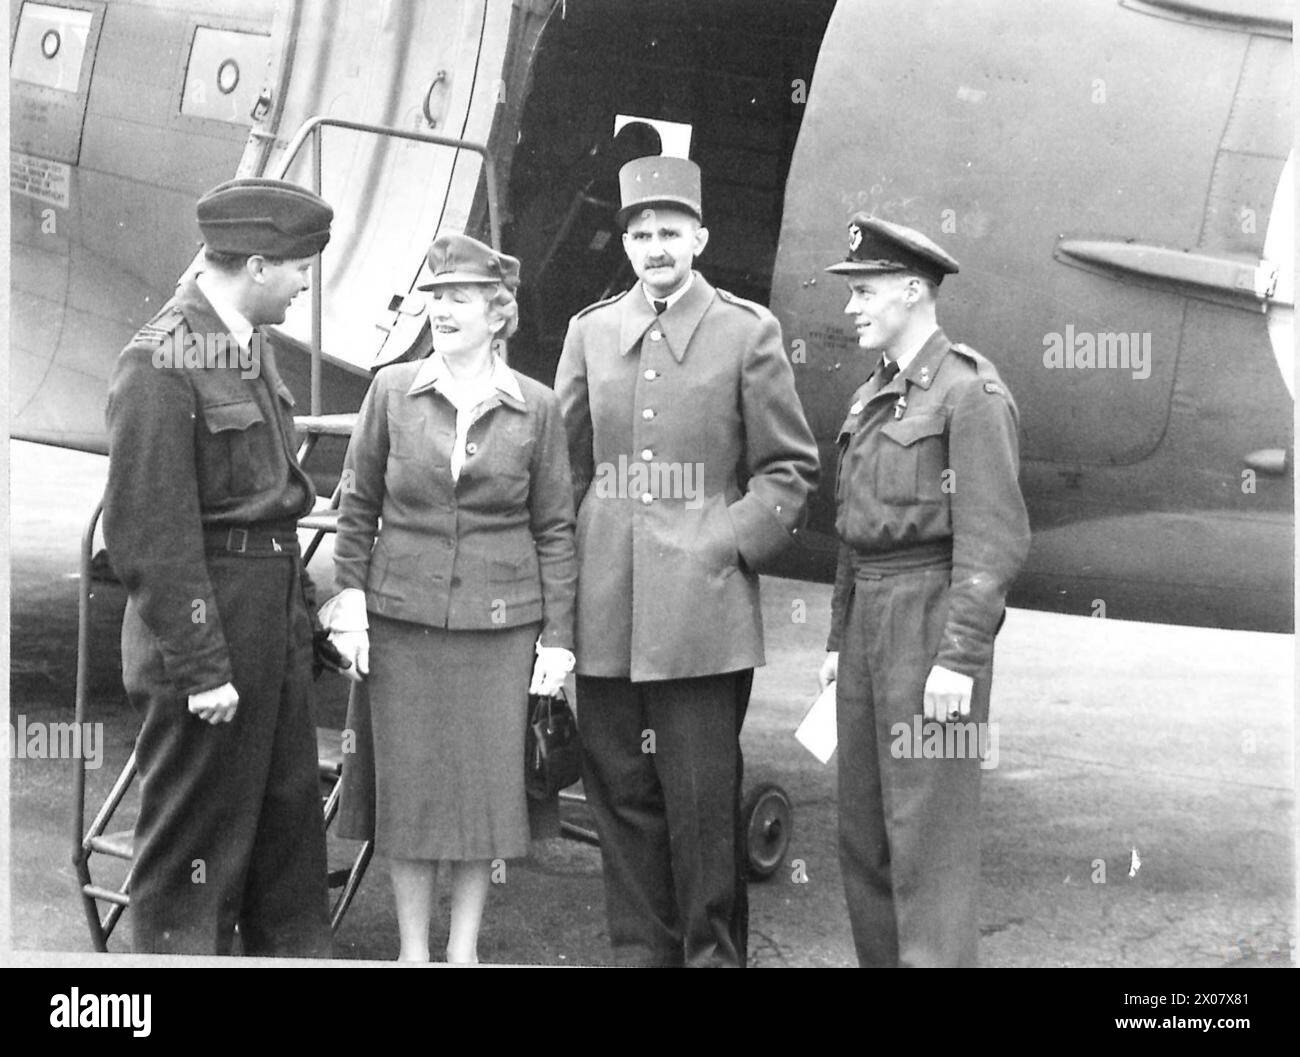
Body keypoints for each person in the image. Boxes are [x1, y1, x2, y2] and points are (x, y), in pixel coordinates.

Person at [554, 156, 820, 967]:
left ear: (700, 237)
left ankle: (711, 960)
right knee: (621, 799)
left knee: (700, 806)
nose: (655, 247)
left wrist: (724, 541)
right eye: (641, 233)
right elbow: (558, 473)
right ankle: (641, 955)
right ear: (627, 243)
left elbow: (790, 468)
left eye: (671, 232)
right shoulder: (590, 333)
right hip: (604, 606)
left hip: (703, 618)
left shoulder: (748, 332)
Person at [324, 232, 577, 964]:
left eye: (459, 298)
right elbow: (356, 507)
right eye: (435, 298)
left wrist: (557, 640)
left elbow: (556, 528)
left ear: (499, 312)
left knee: (482, 796)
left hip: (500, 632)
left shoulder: (538, 407)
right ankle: (411, 951)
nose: (442, 311)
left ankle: (462, 951)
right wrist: (349, 605)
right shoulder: (391, 393)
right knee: (409, 793)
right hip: (401, 622)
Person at [103, 177, 337, 956]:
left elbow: (273, 500)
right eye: (301, 266)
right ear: (260, 264)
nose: (306, 284)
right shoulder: (161, 360)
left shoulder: (243, 344)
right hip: (208, 631)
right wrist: (203, 668)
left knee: (284, 843)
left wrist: (303, 619)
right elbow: (148, 534)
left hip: (268, 624)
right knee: (193, 859)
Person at [816, 214, 1031, 967]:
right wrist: (840, 642)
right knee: (865, 834)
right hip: (872, 622)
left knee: (928, 840)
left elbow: (992, 538)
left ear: (914, 290)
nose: (852, 307)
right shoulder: (870, 395)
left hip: (929, 621)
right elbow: (853, 530)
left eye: (865, 291)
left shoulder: (970, 392)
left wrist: (958, 658)